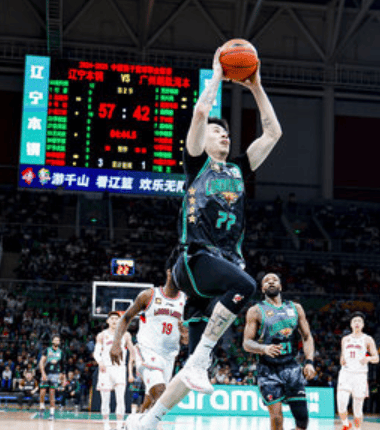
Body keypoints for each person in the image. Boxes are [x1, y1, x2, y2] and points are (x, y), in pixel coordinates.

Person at [121, 42, 282, 430]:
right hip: (194, 260)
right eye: (216, 131)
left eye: (226, 132)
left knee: (194, 368)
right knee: (247, 286)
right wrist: (217, 74)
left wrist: (256, 86)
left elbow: (273, 132)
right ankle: (203, 354)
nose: (223, 134)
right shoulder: (196, 164)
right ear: (203, 139)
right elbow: (199, 112)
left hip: (221, 268)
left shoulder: (239, 169)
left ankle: (147, 421)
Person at [243, 273, 316, 430]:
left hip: (291, 367)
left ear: (280, 286)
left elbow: (307, 337)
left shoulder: (295, 308)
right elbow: (247, 343)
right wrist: (264, 348)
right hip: (268, 369)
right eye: (266, 281)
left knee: (302, 420)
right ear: (263, 288)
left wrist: (309, 362)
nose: (271, 282)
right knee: (276, 418)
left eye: (274, 280)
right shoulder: (255, 311)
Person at [110, 264, 186, 414]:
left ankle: (137, 421)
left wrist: (186, 336)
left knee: (151, 399)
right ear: (169, 273)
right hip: (147, 349)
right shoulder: (149, 295)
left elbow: (186, 332)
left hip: (169, 355)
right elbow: (126, 318)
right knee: (160, 392)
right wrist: (116, 343)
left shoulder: (185, 300)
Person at [337, 312, 380, 430]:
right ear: (351, 324)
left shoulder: (367, 339)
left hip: (360, 375)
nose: (357, 323)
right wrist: (342, 360)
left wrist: (368, 358)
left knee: (357, 408)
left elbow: (376, 358)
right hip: (346, 374)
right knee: (341, 405)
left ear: (363, 325)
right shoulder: (345, 339)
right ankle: (346, 424)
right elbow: (342, 357)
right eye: (354, 321)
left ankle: (357, 428)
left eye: (359, 321)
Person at [94, 311, 135, 430]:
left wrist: (131, 369)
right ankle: (106, 424)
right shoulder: (102, 335)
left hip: (119, 368)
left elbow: (132, 352)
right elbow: (96, 352)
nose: (114, 321)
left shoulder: (125, 334)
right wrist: (100, 362)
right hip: (106, 369)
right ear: (107, 321)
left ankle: (119, 424)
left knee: (120, 399)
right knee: (105, 399)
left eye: (116, 319)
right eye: (111, 318)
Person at [38, 334, 65, 420]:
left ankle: (52, 414)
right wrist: (43, 373)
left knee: (52, 393)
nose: (57, 341)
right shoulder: (47, 350)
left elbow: (63, 367)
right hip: (46, 373)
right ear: (52, 341)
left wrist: (62, 377)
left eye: (58, 340)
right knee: (42, 392)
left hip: (55, 374)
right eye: (55, 340)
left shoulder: (61, 352)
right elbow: (41, 362)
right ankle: (42, 406)